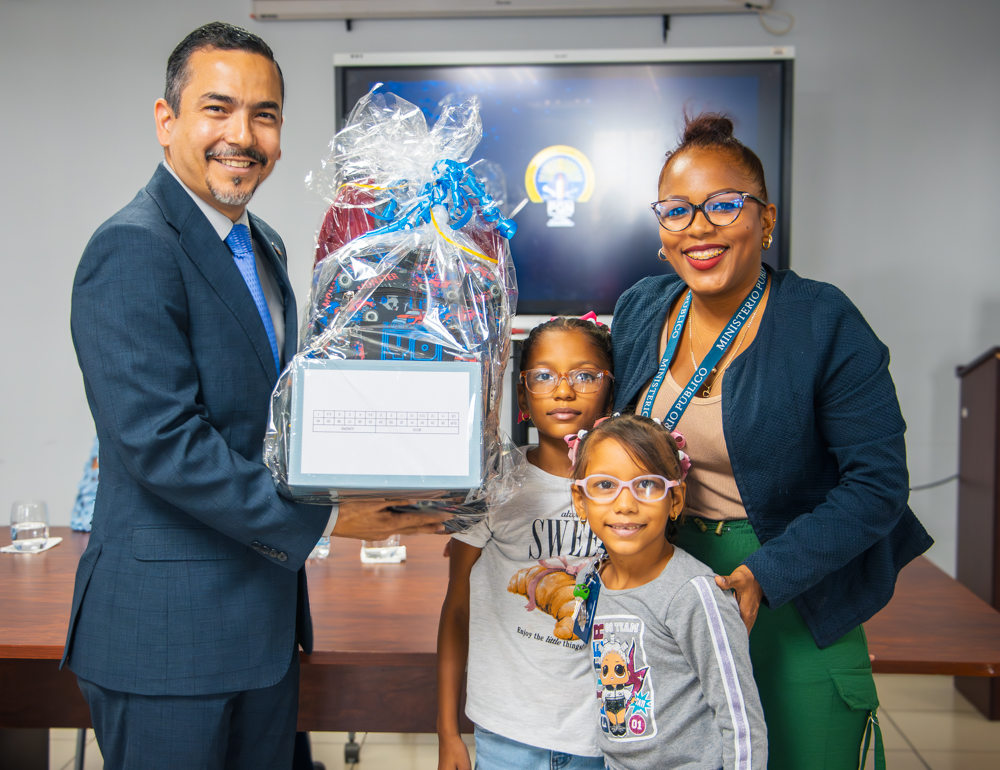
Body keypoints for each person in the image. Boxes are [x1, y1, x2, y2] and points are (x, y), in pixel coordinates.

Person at [63, 22, 447, 770]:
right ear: (166, 120)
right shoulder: (133, 246)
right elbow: (163, 445)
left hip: (261, 626)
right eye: (218, 108)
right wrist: (329, 516)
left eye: (263, 115)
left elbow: (272, 416)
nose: (242, 135)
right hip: (167, 641)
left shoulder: (260, 242)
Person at [610, 113, 933, 768]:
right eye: (677, 210)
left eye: (724, 205)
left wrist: (765, 574)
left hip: (793, 580)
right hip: (664, 582)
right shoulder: (641, 308)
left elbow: (877, 484)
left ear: (766, 220)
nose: (698, 227)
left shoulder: (821, 319)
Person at [436, 317, 612, 770]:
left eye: (585, 375)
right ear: (522, 395)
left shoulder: (627, 491)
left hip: (604, 737)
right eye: (544, 376)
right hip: (507, 734)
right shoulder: (492, 484)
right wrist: (447, 731)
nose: (564, 391)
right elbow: (457, 606)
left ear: (610, 391)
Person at [570, 414, 766, 770]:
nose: (625, 504)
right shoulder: (589, 579)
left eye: (646, 484)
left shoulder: (694, 594)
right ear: (580, 500)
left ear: (675, 500)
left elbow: (741, 720)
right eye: (605, 485)